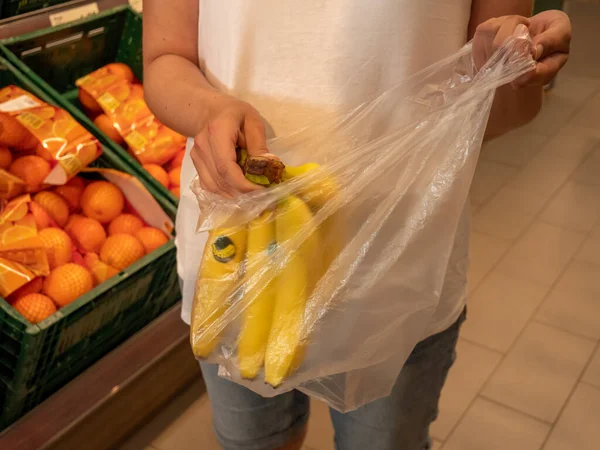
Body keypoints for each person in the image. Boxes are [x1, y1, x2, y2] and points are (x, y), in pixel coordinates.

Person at [143, 1, 571, 449]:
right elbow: (165, 57)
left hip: (399, 267)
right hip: (238, 258)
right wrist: (209, 110)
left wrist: (511, 67)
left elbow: (506, 111)